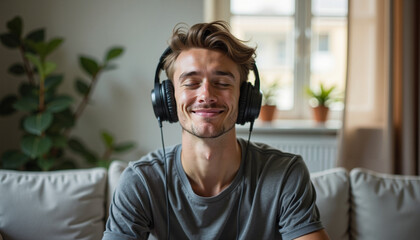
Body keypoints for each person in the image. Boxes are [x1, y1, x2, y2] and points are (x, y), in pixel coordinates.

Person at [103, 21, 329, 240]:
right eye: (191, 83)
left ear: (244, 99)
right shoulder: (141, 181)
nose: (206, 95)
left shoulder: (285, 174)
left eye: (222, 83)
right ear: (168, 98)